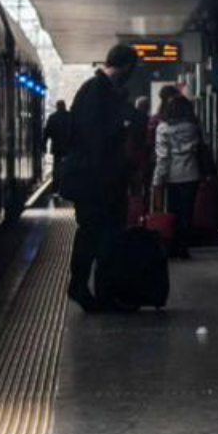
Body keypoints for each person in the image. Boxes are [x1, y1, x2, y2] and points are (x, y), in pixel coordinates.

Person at [63, 44, 140, 313]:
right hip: (98, 183)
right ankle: (96, 291)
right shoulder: (98, 92)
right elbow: (98, 140)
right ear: (129, 66)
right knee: (102, 237)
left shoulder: (97, 90)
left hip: (97, 180)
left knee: (95, 235)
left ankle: (89, 288)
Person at [152, 95, 203, 259]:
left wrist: (158, 178)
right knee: (186, 212)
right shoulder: (193, 127)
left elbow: (163, 156)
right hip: (191, 174)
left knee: (172, 212)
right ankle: (184, 247)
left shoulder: (163, 128)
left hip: (171, 176)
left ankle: (172, 246)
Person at [43, 100, 72, 196]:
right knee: (68, 167)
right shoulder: (70, 117)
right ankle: (66, 186)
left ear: (57, 107)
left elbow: (47, 132)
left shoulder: (52, 117)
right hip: (68, 147)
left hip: (56, 147)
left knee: (56, 168)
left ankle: (55, 188)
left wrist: (44, 144)